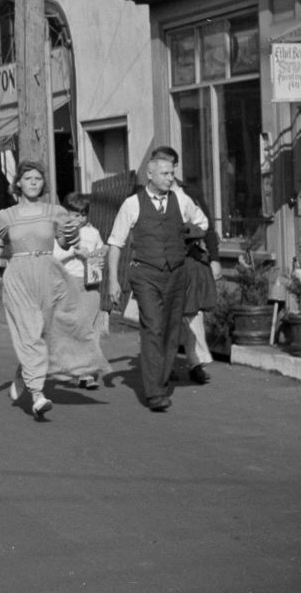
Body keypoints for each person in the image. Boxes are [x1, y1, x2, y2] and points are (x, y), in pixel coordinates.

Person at [0, 161, 104, 420]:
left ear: (43, 184)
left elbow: (62, 241)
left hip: (48, 272)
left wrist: (70, 236)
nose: (33, 182)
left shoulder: (54, 211)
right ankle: (38, 395)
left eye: (38, 178)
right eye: (28, 178)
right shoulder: (7, 215)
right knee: (30, 330)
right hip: (19, 274)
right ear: (19, 184)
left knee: (46, 333)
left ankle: (23, 374)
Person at [107, 156, 209, 412]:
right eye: (164, 173)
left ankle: (160, 381)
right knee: (153, 327)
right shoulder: (132, 204)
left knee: (171, 330)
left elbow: (203, 224)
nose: (169, 178)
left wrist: (184, 232)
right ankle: (155, 393)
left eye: (172, 173)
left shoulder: (181, 200)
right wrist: (112, 281)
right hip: (146, 274)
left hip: (176, 273)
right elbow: (115, 243)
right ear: (149, 175)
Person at [151, 146, 221, 385]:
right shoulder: (144, 196)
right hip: (157, 263)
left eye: (169, 167)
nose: (166, 173)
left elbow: (206, 225)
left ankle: (195, 362)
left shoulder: (188, 194)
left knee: (192, 314)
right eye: (160, 166)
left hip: (187, 259)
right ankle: (166, 364)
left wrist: (214, 257)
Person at [51, 192, 110, 389]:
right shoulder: (61, 233)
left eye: (83, 214)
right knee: (71, 328)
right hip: (67, 284)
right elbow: (52, 257)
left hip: (90, 284)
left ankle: (87, 374)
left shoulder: (93, 233)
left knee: (90, 329)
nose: (80, 218)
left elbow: (100, 257)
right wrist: (70, 251)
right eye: (75, 214)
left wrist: (89, 256)